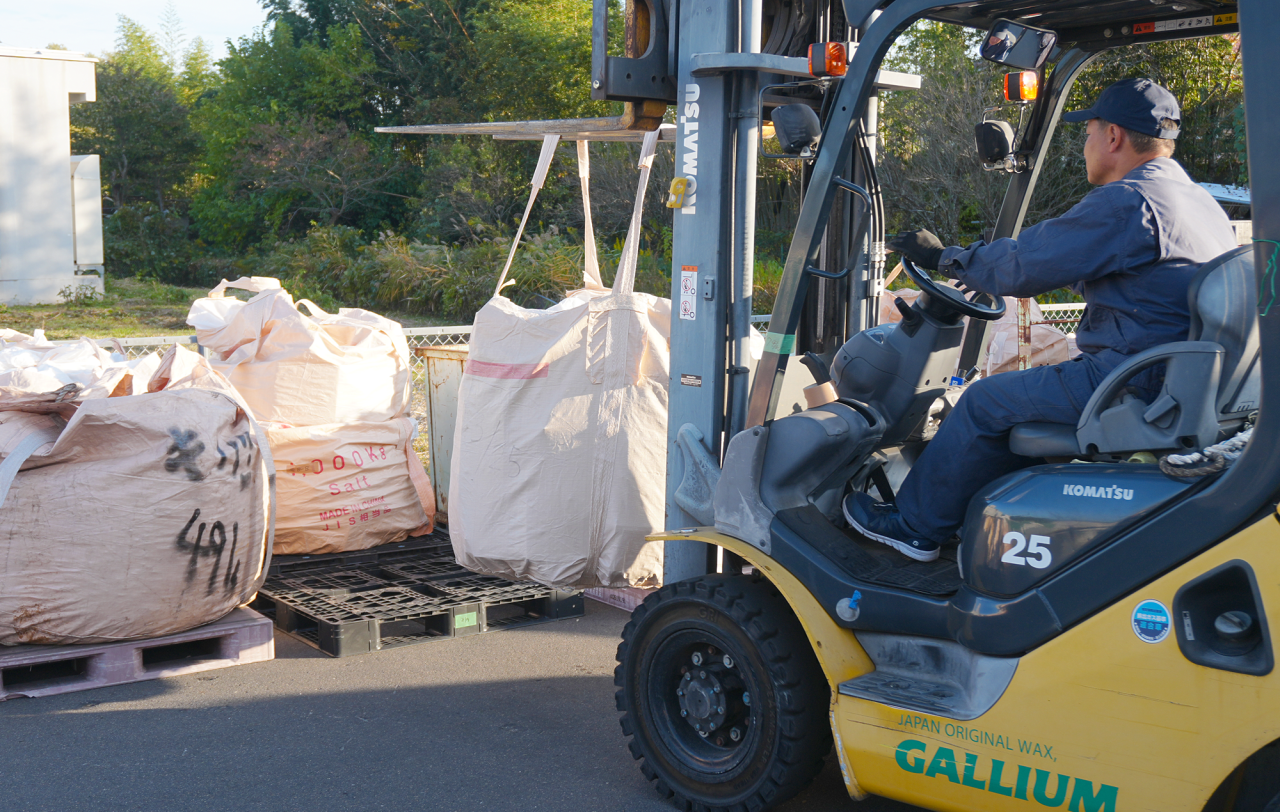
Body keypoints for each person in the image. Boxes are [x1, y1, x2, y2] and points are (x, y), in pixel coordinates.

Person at [843, 78, 1237, 562]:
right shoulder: (1195, 201)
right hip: (1177, 378)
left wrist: (944, 255)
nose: (1086, 142)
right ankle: (966, 517)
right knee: (1009, 399)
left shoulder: (1129, 201)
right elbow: (1134, 279)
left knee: (983, 401)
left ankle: (913, 526)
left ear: (1113, 136)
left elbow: (1023, 264)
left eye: (1088, 131)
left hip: (1130, 379)